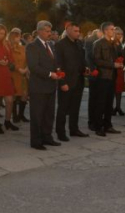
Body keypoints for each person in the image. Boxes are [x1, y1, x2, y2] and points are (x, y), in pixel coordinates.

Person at [26, 21, 62, 150]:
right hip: (39, 87)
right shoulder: (32, 46)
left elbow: (54, 62)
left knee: (49, 114)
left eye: (50, 31)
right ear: (39, 31)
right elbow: (33, 66)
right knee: (37, 115)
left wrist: (58, 71)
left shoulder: (51, 45)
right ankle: (36, 141)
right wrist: (50, 74)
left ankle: (47, 137)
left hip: (51, 86)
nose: (49, 33)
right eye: (47, 31)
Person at [55, 22, 89, 141]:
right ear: (68, 30)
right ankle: (60, 132)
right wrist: (62, 82)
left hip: (79, 80)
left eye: (79, 31)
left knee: (75, 107)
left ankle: (74, 129)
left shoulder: (79, 43)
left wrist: (86, 69)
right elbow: (57, 65)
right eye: (75, 31)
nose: (78, 33)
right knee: (63, 108)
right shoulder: (60, 45)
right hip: (66, 81)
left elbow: (82, 60)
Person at [93, 22, 122, 136]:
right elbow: (97, 60)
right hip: (103, 77)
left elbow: (117, 57)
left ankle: (108, 125)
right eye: (111, 29)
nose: (114, 31)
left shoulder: (113, 43)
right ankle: (98, 127)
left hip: (112, 76)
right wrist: (112, 65)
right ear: (105, 31)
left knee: (109, 103)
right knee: (101, 103)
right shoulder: (98, 43)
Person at [7, 29, 29, 124]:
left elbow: (28, 59)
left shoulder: (23, 48)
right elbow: (9, 62)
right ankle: (14, 115)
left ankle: (21, 115)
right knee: (14, 96)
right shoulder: (8, 49)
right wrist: (19, 69)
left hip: (23, 75)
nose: (18, 38)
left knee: (24, 95)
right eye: (16, 37)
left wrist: (26, 68)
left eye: (19, 36)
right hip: (14, 75)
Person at [84, 29, 103, 131]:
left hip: (102, 74)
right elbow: (88, 56)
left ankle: (98, 120)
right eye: (101, 32)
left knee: (99, 99)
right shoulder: (90, 41)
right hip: (94, 73)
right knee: (93, 99)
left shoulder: (103, 41)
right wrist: (93, 69)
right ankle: (91, 121)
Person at [112, 27, 125, 116]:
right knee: (113, 89)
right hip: (113, 69)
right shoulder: (111, 44)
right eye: (117, 34)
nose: (120, 35)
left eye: (121, 34)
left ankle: (118, 107)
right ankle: (111, 108)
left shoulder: (121, 44)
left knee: (119, 89)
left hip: (120, 69)